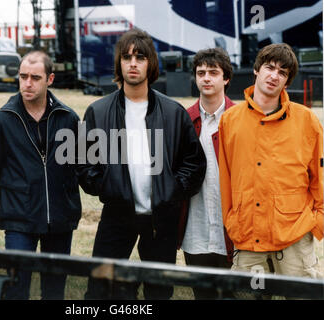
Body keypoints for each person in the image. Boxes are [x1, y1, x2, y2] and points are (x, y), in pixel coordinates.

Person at [79, 28, 206, 300]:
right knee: (100, 290)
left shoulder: (173, 112)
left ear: (151, 64)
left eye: (140, 57)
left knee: (158, 292)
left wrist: (172, 189)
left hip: (161, 219)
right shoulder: (98, 112)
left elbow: (194, 163)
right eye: (126, 57)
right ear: (119, 63)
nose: (133, 63)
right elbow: (83, 163)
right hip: (116, 215)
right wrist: (106, 186)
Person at [219, 43, 323, 282]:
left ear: (287, 82)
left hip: (295, 234)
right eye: (270, 67)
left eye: (283, 73)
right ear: (256, 70)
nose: (274, 75)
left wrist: (318, 222)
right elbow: (225, 177)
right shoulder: (230, 120)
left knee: (302, 297)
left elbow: (320, 176)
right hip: (247, 234)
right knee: (249, 296)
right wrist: (231, 221)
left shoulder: (307, 121)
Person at [0, 50, 82, 300]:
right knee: (17, 289)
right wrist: (13, 199)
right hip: (19, 220)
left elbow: (79, 165)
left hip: (60, 218)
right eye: (23, 76)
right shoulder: (2, 120)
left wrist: (67, 200)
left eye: (35, 77)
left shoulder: (68, 118)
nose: (27, 83)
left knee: (54, 289)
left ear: (50, 79)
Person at [178, 47, 235, 299]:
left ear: (226, 78)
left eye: (213, 72)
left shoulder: (241, 118)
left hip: (232, 230)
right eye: (201, 72)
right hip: (196, 229)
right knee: (203, 295)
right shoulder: (183, 119)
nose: (206, 78)